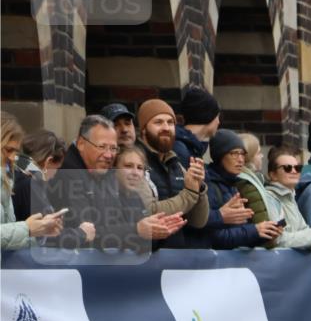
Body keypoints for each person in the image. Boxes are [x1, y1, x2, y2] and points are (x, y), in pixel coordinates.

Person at [47, 115, 181, 250]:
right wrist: (136, 230)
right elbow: (88, 234)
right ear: (81, 144)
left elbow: (118, 227)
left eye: (113, 148)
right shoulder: (66, 178)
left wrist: (155, 231)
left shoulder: (108, 178)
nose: (108, 155)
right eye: (102, 146)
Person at [134, 98, 210, 247]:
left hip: (175, 259)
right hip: (144, 259)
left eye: (170, 122)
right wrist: (189, 193)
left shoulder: (176, 164)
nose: (166, 127)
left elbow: (199, 221)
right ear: (143, 129)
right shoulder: (134, 161)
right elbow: (149, 211)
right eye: (158, 122)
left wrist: (199, 188)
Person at [190, 129, 282, 250]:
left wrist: (265, 233)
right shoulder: (208, 185)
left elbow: (239, 234)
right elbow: (214, 238)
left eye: (243, 154)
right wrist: (254, 231)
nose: (240, 159)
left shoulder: (233, 184)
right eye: (234, 153)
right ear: (220, 155)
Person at [1, 112, 63, 249]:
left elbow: (8, 242)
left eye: (15, 152)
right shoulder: (28, 182)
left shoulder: (6, 180)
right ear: (48, 161)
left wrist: (38, 233)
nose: (12, 158)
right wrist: (27, 229)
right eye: (8, 150)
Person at [264, 147, 311, 249]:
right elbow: (278, 240)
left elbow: (303, 235)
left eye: (298, 168)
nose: (294, 171)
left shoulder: (290, 198)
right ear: (273, 175)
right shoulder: (269, 198)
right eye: (287, 168)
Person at [113, 147, 186, 237]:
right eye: (128, 166)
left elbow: (145, 244)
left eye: (140, 168)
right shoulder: (105, 196)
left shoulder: (136, 198)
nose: (135, 172)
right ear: (114, 169)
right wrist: (137, 230)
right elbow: (101, 235)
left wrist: (158, 230)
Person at [12, 128, 66, 221]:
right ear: (48, 161)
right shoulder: (30, 183)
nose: (55, 174)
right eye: (56, 168)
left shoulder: (15, 171)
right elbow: (44, 230)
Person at [173, 85, 220, 169]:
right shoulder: (180, 150)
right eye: (217, 116)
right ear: (209, 116)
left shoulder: (192, 147)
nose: (218, 122)